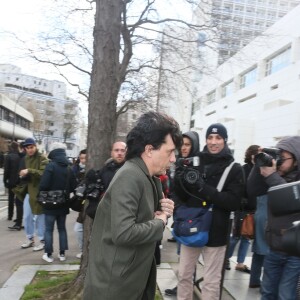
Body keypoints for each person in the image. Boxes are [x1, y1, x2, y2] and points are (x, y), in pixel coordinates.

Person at [83, 111, 181, 300]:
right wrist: (160, 222)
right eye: (169, 152)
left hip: (131, 280)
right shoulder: (130, 176)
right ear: (150, 149)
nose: (173, 159)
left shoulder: (146, 177)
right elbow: (124, 232)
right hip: (117, 287)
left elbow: (142, 218)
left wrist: (162, 211)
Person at [174, 123, 244, 300]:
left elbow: (234, 202)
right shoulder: (195, 161)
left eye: (218, 138)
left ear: (225, 140)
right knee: (183, 275)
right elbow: (182, 196)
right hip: (193, 226)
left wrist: (203, 188)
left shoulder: (234, 168)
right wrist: (179, 177)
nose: (213, 142)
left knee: (211, 282)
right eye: (210, 138)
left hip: (217, 231)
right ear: (205, 140)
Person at [255, 136, 300, 299]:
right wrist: (258, 164)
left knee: (285, 296)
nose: (279, 161)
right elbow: (251, 190)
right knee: (267, 293)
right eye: (277, 155)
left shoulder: (282, 179)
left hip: (295, 253)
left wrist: (271, 176)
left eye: (283, 157)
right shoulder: (275, 177)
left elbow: (290, 197)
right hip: (274, 248)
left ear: (296, 160)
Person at [164, 131, 201, 297]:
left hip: (193, 218)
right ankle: (183, 286)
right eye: (182, 145)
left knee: (189, 257)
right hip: (180, 216)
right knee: (182, 255)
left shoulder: (198, 165)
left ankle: (186, 286)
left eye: (187, 144)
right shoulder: (179, 164)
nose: (184, 148)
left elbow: (195, 193)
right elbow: (174, 189)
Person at [39, 142, 77, 263]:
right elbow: (73, 186)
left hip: (50, 203)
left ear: (53, 152)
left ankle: (48, 254)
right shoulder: (68, 167)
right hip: (64, 203)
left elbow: (43, 185)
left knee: (48, 229)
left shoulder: (51, 166)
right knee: (62, 229)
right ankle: (62, 254)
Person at [225, 145, 259, 273]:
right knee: (236, 236)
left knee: (246, 236)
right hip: (242, 208)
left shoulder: (261, 170)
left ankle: (240, 262)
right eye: (258, 153)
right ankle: (226, 258)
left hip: (253, 208)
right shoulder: (244, 169)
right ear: (252, 155)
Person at [17, 138, 48, 251]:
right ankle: (30, 239)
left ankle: (42, 240)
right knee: (27, 216)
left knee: (40, 217)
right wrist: (22, 175)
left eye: (31, 147)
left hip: (40, 193)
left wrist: (29, 171)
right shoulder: (24, 158)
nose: (29, 150)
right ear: (25, 148)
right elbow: (21, 172)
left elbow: (44, 173)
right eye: (27, 148)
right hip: (29, 192)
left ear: (35, 146)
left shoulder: (42, 158)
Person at [72, 149, 87, 259]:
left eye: (85, 158)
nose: (83, 161)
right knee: (78, 229)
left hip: (88, 205)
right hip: (82, 206)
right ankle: (82, 250)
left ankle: (84, 250)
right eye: (81, 158)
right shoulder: (76, 170)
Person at [3, 142, 21, 224]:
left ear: (11, 147)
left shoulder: (8, 156)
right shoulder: (20, 156)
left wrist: (5, 180)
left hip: (11, 180)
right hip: (20, 181)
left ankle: (10, 215)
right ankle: (18, 217)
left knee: (11, 198)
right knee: (19, 199)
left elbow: (6, 170)